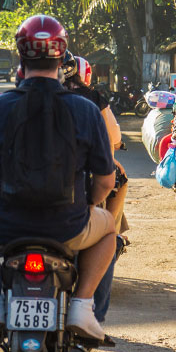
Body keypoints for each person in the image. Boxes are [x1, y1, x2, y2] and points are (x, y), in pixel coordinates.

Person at [0, 15, 117, 341]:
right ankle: (83, 307)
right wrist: (87, 206)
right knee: (108, 232)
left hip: (3, 226)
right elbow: (105, 181)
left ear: (21, 57)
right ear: (62, 58)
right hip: (68, 227)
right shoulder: (85, 110)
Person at [61, 53, 129, 323]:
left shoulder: (8, 104)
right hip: (76, 201)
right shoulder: (88, 102)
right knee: (106, 233)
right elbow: (112, 140)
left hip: (18, 212)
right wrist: (92, 206)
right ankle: (90, 310)